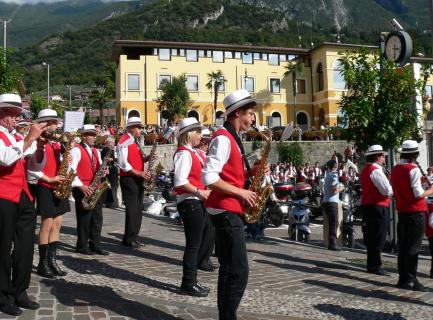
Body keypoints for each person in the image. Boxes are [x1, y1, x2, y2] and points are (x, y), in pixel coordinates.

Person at [202, 89, 264, 320]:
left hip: (229, 208)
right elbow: (208, 177)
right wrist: (242, 192)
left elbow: (230, 175)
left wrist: (252, 173)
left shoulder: (233, 139)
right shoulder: (222, 138)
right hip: (225, 209)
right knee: (238, 271)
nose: (253, 119)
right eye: (250, 114)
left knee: (230, 270)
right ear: (237, 113)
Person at [0, 94, 47, 316]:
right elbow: (6, 158)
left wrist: (39, 148)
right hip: (3, 197)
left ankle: (20, 291)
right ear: (1, 115)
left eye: (19, 113)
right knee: (2, 249)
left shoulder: (16, 136)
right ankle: (3, 296)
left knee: (25, 247)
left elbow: (34, 166)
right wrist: (29, 139)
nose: (18, 118)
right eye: (13, 114)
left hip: (24, 194)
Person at [174, 118, 215, 297]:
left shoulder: (193, 152)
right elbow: (180, 181)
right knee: (193, 245)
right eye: (197, 132)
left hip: (196, 201)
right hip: (191, 202)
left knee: (196, 244)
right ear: (189, 135)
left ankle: (191, 280)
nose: (201, 136)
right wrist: (200, 192)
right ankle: (188, 283)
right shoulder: (184, 153)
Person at [31, 109, 71, 278]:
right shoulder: (37, 142)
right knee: (46, 224)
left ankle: (52, 260)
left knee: (57, 224)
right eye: (53, 122)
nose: (56, 126)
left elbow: (59, 163)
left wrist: (66, 158)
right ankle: (42, 263)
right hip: (45, 185)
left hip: (57, 184)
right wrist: (49, 179)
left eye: (56, 122)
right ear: (44, 124)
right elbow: (32, 168)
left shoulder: (55, 144)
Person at [390, 140, 433, 291]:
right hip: (416, 212)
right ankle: (411, 279)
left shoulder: (396, 169)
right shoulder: (413, 169)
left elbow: (403, 187)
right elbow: (418, 194)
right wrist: (430, 190)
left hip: (402, 212)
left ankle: (403, 278)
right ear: (415, 154)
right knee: (414, 247)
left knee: (403, 246)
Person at [70, 124, 108, 256]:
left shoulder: (96, 151)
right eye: (91, 135)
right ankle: (82, 245)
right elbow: (71, 171)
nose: (94, 137)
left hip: (95, 188)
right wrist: (81, 186)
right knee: (84, 218)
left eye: (94, 134)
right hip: (83, 188)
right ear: (84, 136)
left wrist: (104, 171)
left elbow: (97, 169)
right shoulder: (76, 150)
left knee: (97, 218)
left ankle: (95, 244)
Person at [117, 117, 153, 248]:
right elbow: (123, 163)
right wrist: (139, 173)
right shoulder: (124, 141)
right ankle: (128, 238)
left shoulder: (134, 141)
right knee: (132, 210)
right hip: (129, 178)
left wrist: (147, 158)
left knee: (138, 209)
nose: (141, 130)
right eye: (139, 127)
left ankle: (134, 237)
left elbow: (135, 159)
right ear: (132, 128)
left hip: (137, 178)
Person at [360, 145, 393, 276]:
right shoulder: (376, 171)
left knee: (372, 236)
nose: (384, 158)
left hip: (369, 205)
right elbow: (386, 190)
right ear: (377, 157)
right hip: (378, 206)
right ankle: (376, 265)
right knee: (379, 237)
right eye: (382, 156)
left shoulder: (366, 169)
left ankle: (372, 264)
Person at [322, 159, 344, 250]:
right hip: (332, 202)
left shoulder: (327, 175)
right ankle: (333, 244)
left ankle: (331, 243)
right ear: (335, 166)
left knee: (331, 223)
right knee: (334, 223)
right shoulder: (334, 175)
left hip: (326, 201)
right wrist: (342, 188)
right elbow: (334, 190)